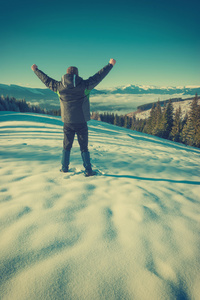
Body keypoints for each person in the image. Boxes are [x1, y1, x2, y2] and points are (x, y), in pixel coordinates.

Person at [31, 58, 116, 176]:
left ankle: (64, 168)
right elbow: (98, 76)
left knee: (66, 146)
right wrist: (110, 65)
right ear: (77, 74)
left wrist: (36, 70)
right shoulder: (85, 86)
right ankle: (88, 170)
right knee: (84, 147)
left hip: (67, 122)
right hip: (81, 121)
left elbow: (46, 80)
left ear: (66, 74)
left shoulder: (58, 87)